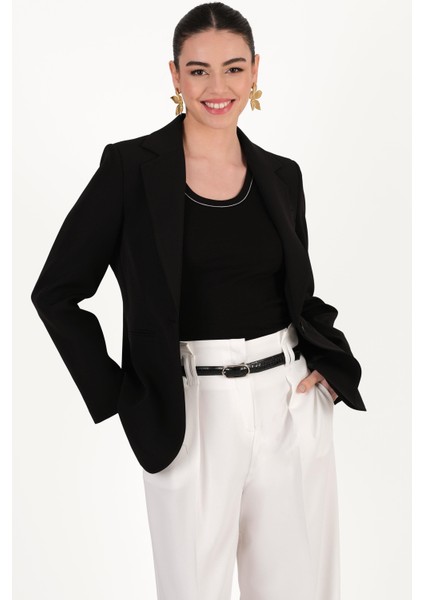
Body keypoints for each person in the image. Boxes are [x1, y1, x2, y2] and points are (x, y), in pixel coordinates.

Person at [31, 2, 366, 599]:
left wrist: (332, 366)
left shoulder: (281, 175)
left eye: (234, 69)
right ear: (175, 75)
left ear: (255, 71)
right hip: (190, 411)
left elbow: (299, 295)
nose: (218, 87)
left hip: (290, 405)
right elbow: (56, 292)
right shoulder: (130, 169)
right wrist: (122, 394)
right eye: (199, 70)